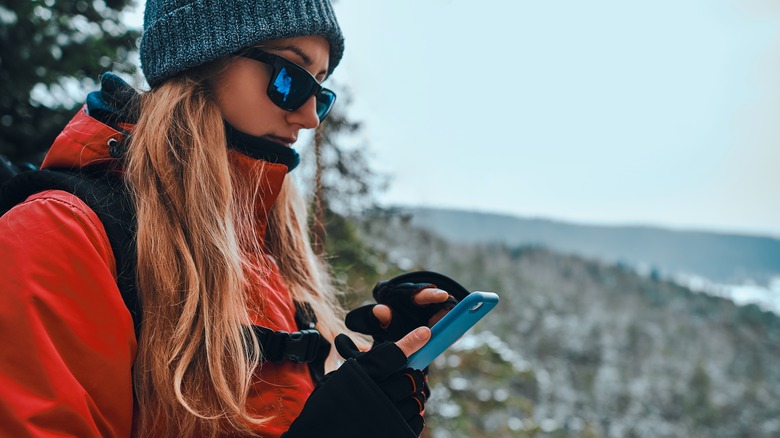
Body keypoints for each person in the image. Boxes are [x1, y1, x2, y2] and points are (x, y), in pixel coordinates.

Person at [0, 0, 467, 437]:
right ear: (200, 62)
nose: (310, 118)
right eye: (290, 77)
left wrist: (391, 362)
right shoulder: (60, 234)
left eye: (321, 93)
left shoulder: (265, 251)